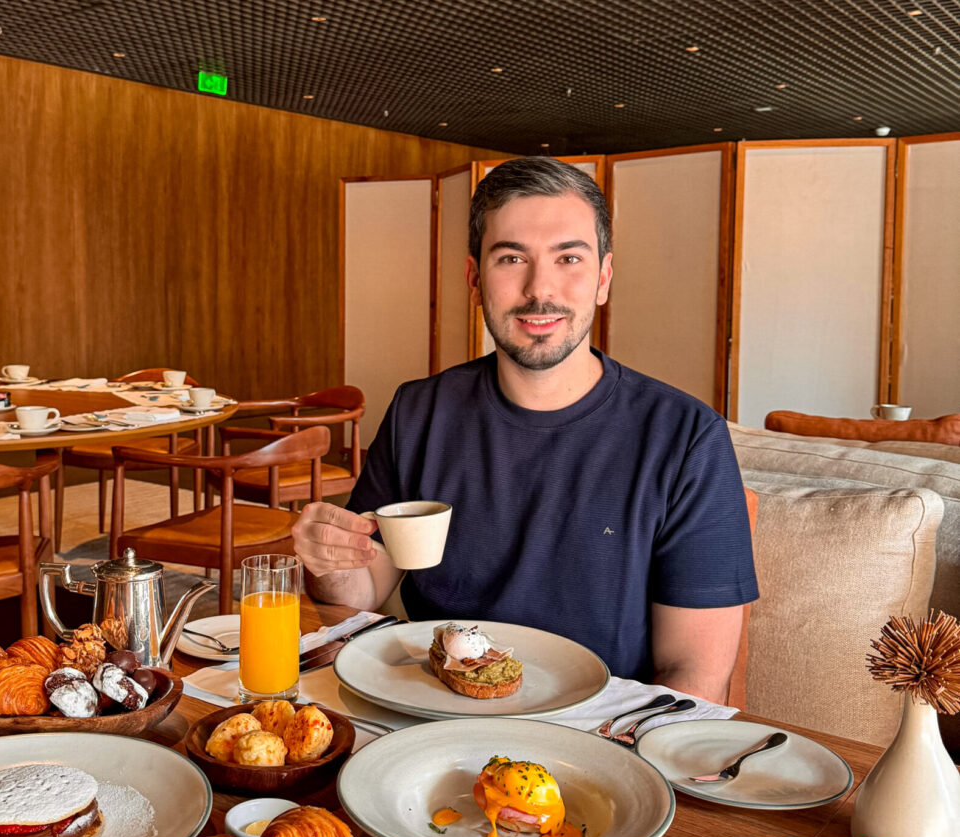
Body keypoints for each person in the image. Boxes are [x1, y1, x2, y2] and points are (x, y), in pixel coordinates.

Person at [292, 156, 757, 702]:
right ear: (474, 279)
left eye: (569, 258)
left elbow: (694, 678)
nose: (540, 289)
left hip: (601, 730)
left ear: (603, 278)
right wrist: (329, 561)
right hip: (432, 710)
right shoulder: (420, 411)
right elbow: (362, 593)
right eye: (512, 258)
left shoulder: (685, 438)